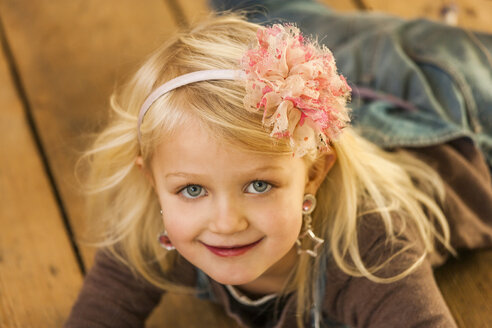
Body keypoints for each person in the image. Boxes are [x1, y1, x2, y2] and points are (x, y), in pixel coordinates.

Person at [65, 1, 492, 327]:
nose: (226, 222)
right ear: (152, 182)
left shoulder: (372, 243)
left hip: (451, 103)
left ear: (313, 173)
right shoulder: (148, 228)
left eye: (258, 186)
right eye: (192, 190)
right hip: (310, 88)